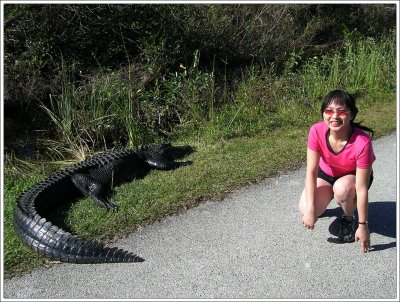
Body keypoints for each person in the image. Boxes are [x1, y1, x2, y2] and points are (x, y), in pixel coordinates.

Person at [298, 89, 375, 254]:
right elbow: (311, 173)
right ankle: (326, 199)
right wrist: (311, 209)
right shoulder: (316, 131)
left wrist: (363, 226)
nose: (334, 116)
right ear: (323, 114)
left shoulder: (363, 142)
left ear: (351, 115)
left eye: (341, 112)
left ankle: (348, 216)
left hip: (352, 179)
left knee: (342, 189)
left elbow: (361, 189)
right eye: (329, 111)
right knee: (305, 208)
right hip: (327, 175)